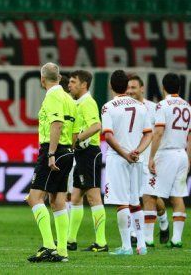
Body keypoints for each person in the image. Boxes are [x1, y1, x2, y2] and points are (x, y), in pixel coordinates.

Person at [27, 62, 77, 263]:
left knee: (34, 198)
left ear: (42, 79)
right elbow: (74, 130)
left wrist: (51, 154)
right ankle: (62, 251)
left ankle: (48, 245)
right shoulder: (69, 98)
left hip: (53, 150)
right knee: (58, 202)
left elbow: (56, 124)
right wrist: (68, 150)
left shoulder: (53, 96)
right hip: (68, 151)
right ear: (60, 77)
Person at [102, 70, 152, 256]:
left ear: (111, 86)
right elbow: (149, 133)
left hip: (119, 159)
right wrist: (137, 151)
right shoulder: (141, 106)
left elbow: (108, 136)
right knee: (135, 202)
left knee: (122, 202)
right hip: (136, 159)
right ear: (126, 85)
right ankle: (141, 245)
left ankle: (126, 247)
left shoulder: (108, 107)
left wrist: (124, 154)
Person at [147, 73, 190, 248]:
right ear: (179, 88)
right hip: (181, 154)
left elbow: (158, 133)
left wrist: (151, 156)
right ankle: (177, 239)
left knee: (150, 194)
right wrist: (188, 158)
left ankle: (148, 238)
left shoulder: (162, 105)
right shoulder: (187, 106)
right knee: (177, 196)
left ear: (163, 87)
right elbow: (189, 137)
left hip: (166, 154)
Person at [126, 75, 169, 246]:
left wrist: (155, 156)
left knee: (150, 196)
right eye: (128, 88)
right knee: (133, 195)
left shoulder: (154, 108)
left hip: (150, 159)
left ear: (142, 89)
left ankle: (163, 218)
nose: (130, 91)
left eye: (134, 88)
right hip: (131, 158)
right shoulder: (124, 107)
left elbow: (159, 134)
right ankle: (134, 234)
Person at [67, 70, 107, 252]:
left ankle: (101, 242)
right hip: (82, 154)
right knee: (75, 198)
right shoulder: (78, 102)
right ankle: (71, 240)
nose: (69, 84)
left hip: (90, 153)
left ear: (84, 85)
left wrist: (78, 138)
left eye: (73, 82)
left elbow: (97, 125)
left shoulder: (87, 102)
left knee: (93, 197)